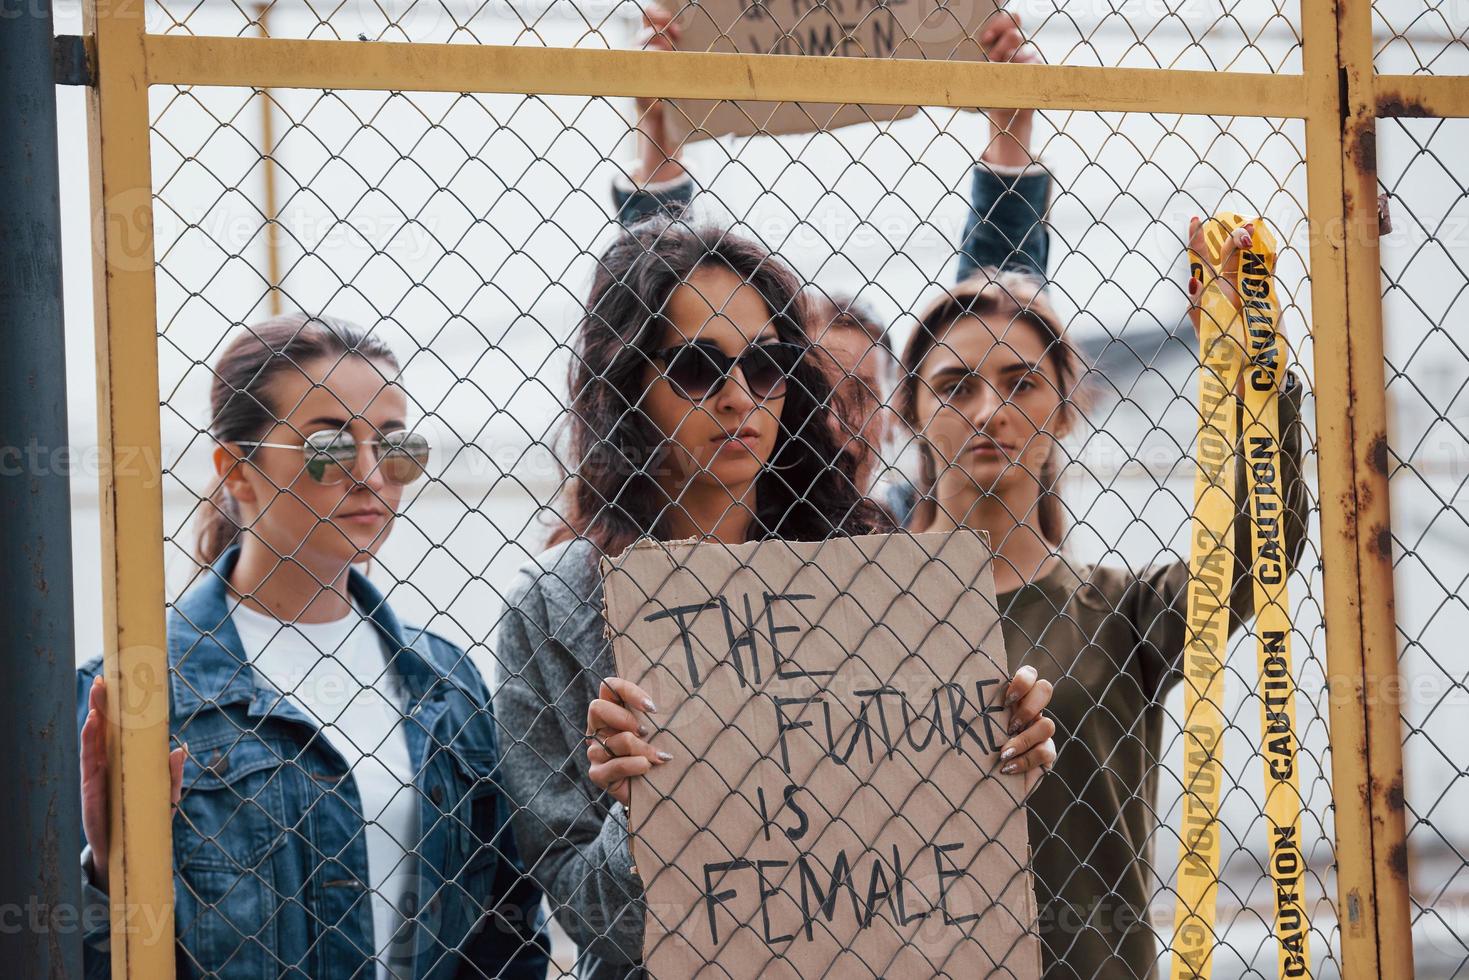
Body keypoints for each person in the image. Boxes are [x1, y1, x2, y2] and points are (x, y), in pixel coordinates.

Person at [492, 220, 1059, 979]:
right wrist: (646, 813)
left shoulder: (872, 569)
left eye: (767, 366)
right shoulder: (554, 607)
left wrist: (997, 750)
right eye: (697, 369)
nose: (738, 398)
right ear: (626, 382)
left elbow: (929, 861)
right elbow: (590, 921)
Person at [892, 220, 1309, 979]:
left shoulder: (1122, 613)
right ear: (911, 411)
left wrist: (1257, 373)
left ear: (1064, 411)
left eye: (1020, 384)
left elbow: (1263, 541)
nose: (989, 411)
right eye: (955, 387)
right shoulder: (851, 610)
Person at [76, 313, 549, 980]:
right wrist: (103, 872)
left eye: (395, 448)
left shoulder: (446, 683)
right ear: (237, 471)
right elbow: (74, 955)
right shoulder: (140, 690)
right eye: (327, 447)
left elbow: (509, 928)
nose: (369, 474)